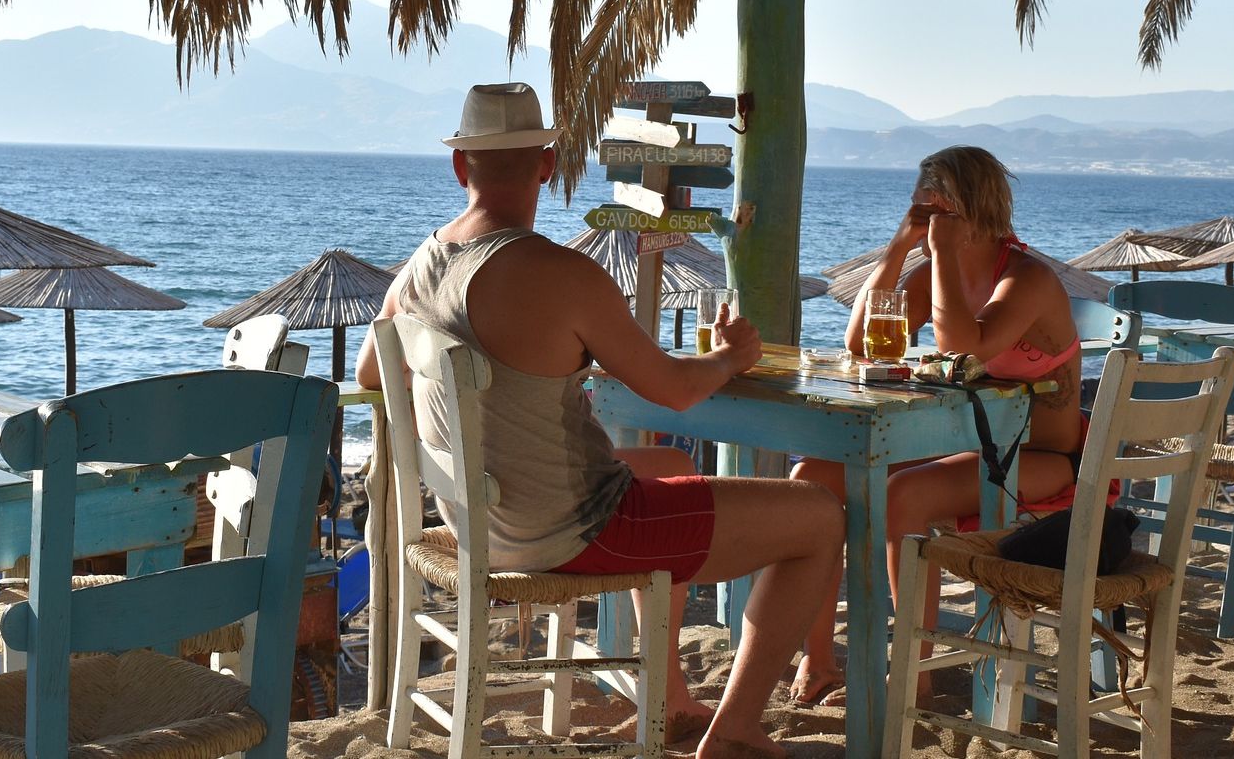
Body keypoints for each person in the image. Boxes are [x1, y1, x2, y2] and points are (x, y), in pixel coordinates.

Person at [356, 82, 843, 759]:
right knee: (819, 515)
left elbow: (371, 374)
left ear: (460, 167)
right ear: (549, 165)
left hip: (481, 523)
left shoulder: (421, 265)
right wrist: (733, 357)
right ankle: (734, 732)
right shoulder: (562, 273)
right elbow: (674, 391)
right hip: (574, 530)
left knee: (668, 468)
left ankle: (669, 698)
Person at [788, 145, 1082, 706]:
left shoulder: (1028, 278)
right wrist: (900, 248)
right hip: (974, 447)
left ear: (977, 209)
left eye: (941, 212)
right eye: (922, 211)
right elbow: (859, 341)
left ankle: (914, 677)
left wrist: (941, 252)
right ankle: (819, 660)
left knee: (904, 494)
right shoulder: (932, 271)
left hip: (1044, 462)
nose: (930, 225)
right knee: (814, 477)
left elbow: (959, 347)